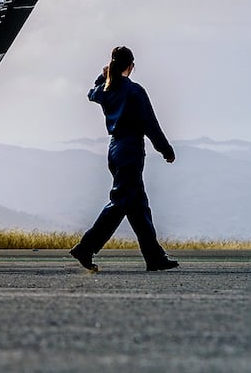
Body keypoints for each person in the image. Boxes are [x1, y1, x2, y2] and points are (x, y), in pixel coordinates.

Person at [69, 45, 179, 273]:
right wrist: (165, 149)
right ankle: (86, 247)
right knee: (121, 202)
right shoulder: (134, 91)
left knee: (138, 206)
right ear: (131, 66)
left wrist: (103, 74)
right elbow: (150, 123)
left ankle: (154, 257)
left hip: (114, 149)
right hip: (131, 150)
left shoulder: (106, 90)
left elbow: (92, 91)